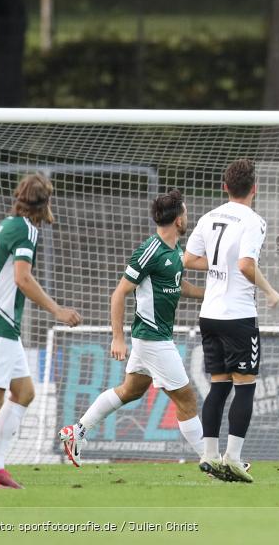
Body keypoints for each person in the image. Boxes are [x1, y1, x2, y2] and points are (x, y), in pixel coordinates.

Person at [59, 190, 206, 470]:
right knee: (186, 398)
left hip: (153, 337)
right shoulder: (150, 250)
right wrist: (117, 337)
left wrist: (207, 295)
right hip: (152, 338)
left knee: (130, 390)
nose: (187, 217)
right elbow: (119, 293)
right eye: (185, 213)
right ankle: (212, 460)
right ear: (177, 219)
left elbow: (177, 285)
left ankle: (77, 431)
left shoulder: (174, 251)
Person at [0, 174, 82, 489]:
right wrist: (57, 310)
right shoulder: (26, 230)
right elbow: (23, 278)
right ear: (45, 203)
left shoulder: (4, 225)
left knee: (24, 392)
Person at [184, 159, 279, 483]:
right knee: (246, 388)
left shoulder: (209, 216)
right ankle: (234, 458)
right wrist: (269, 290)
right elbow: (245, 265)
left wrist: (215, 267)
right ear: (255, 188)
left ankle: (209, 456)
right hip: (238, 315)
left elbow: (188, 258)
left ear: (225, 187)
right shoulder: (254, 221)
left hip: (209, 315)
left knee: (218, 386)